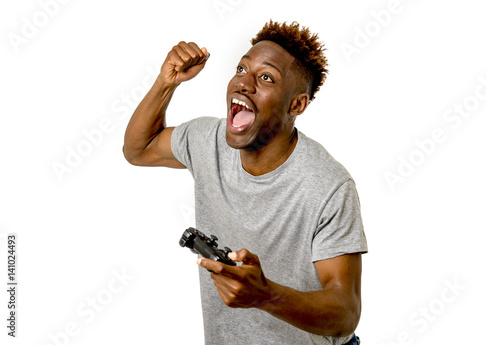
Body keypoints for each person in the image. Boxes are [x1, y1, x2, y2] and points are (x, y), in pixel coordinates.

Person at [123, 20, 368, 345]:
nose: (243, 83)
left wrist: (266, 295)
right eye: (241, 69)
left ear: (297, 104)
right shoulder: (208, 140)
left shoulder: (328, 186)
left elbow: (345, 312)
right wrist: (165, 83)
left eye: (266, 77)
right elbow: (138, 149)